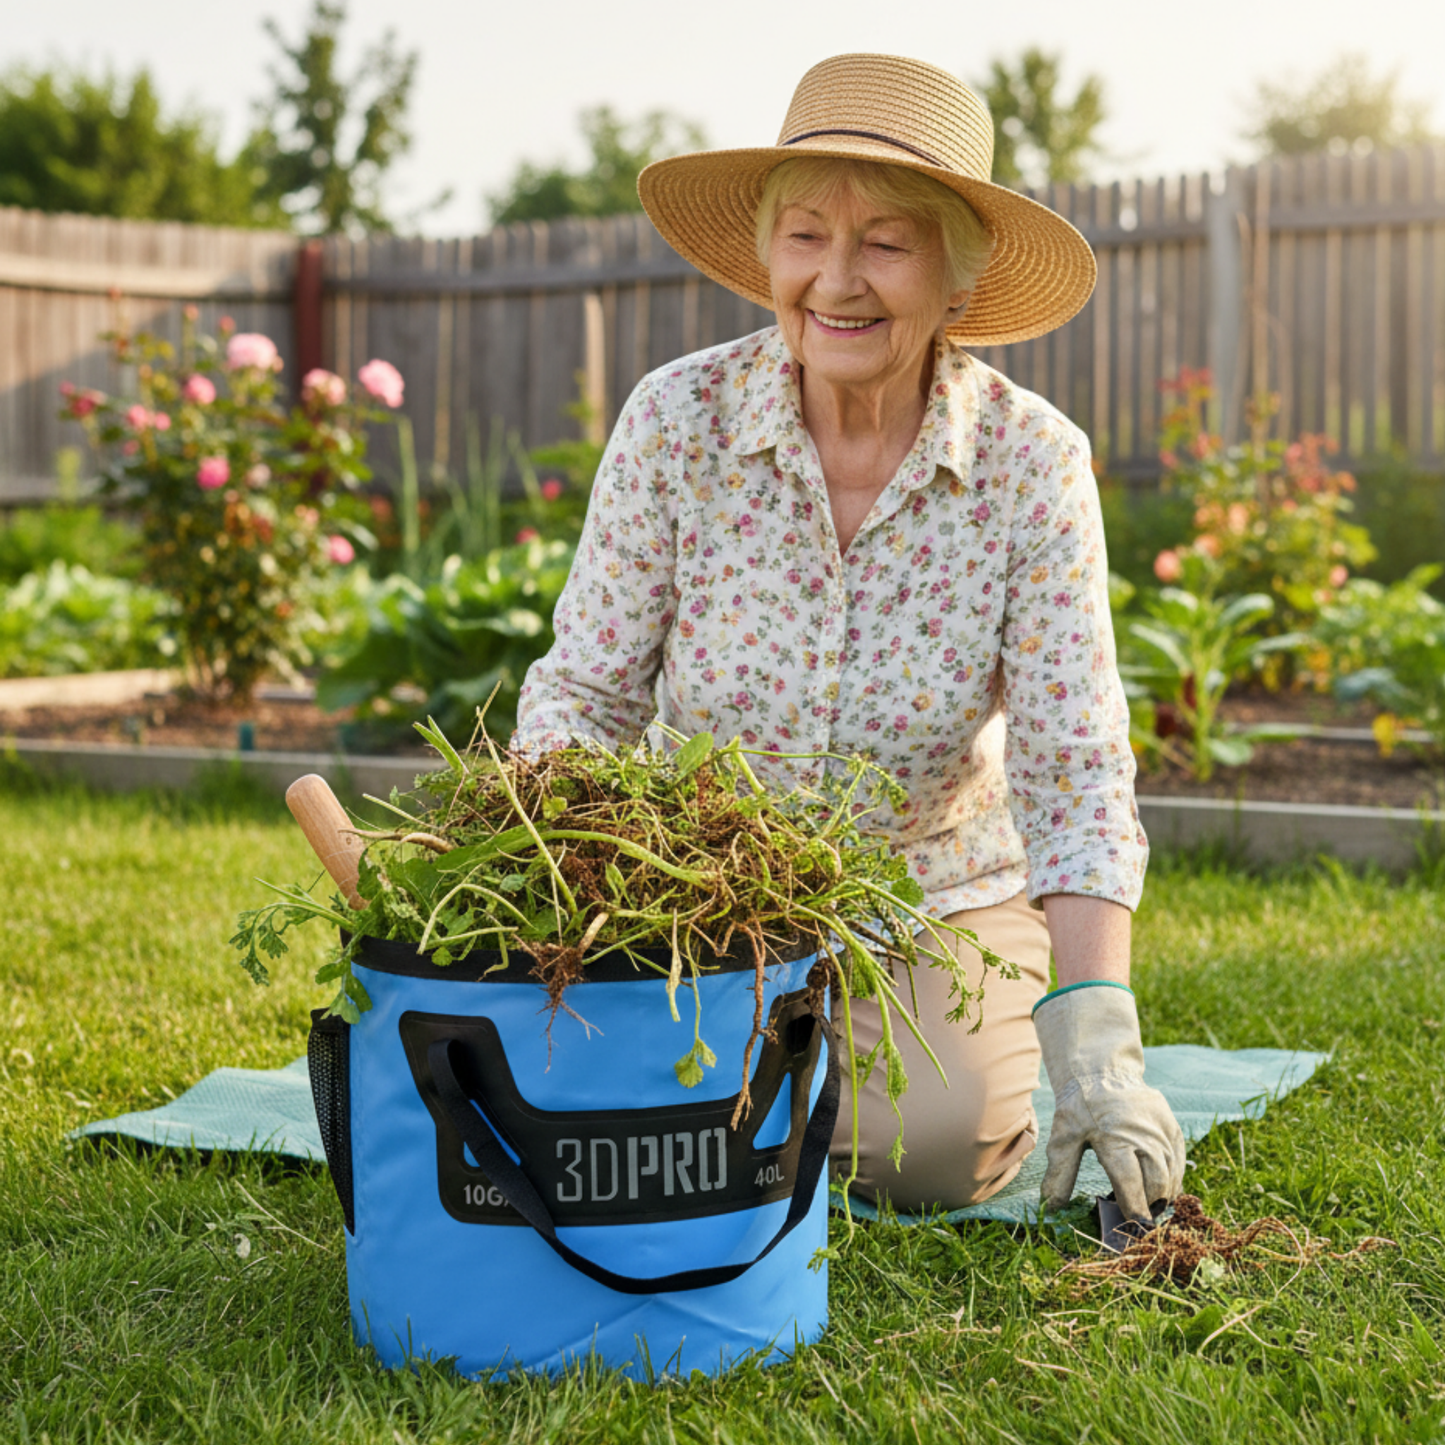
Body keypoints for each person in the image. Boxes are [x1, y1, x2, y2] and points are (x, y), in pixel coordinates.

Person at [513, 52, 1185, 1223]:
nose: (838, 279)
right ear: (767, 255)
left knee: (923, 1152)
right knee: (601, 1111)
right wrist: (557, 878)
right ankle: (768, 1041)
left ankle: (862, 1051)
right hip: (698, 891)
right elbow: (587, 691)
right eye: (806, 235)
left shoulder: (1030, 464)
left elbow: (1072, 764)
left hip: (930, 890)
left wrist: (1095, 1038)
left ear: (956, 280)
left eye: (885, 242)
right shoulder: (677, 421)